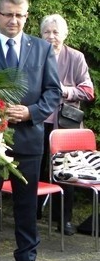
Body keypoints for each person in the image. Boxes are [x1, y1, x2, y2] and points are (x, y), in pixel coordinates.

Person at [0, 0, 61, 261]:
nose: (14, 20)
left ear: (27, 17)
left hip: (29, 136)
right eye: (8, 14)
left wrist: (31, 112)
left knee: (26, 201)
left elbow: (53, 91)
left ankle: (26, 256)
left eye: (20, 15)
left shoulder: (42, 49)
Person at [39, 14, 94, 235]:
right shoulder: (35, 54)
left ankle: (64, 220)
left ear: (65, 34)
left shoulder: (76, 57)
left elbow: (89, 91)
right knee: (36, 167)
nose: (51, 37)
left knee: (66, 171)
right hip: (39, 120)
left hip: (66, 125)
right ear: (40, 34)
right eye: (47, 32)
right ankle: (33, 214)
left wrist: (66, 90)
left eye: (56, 32)